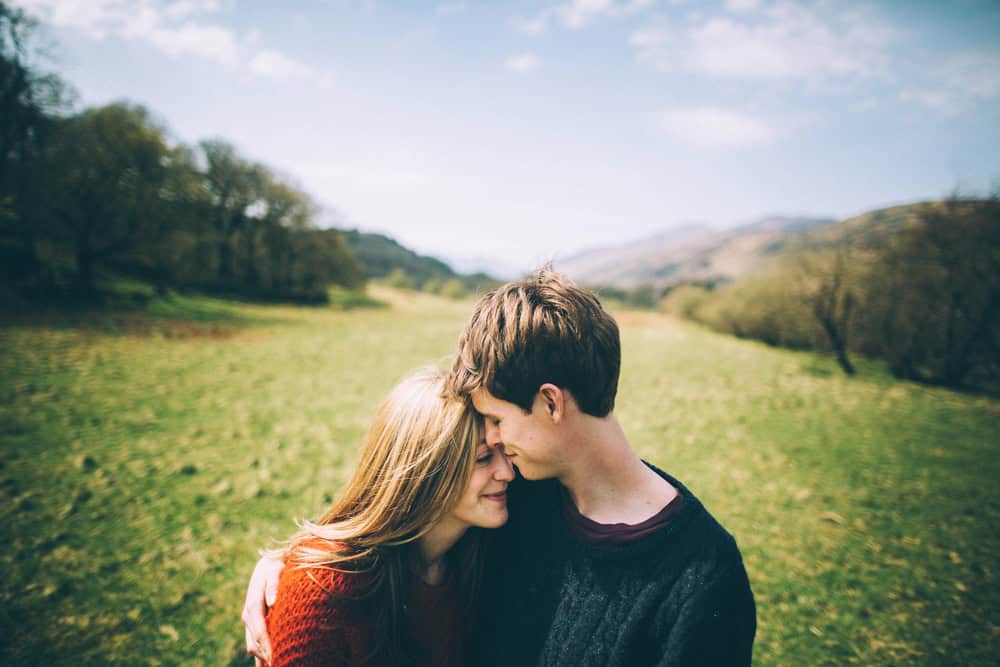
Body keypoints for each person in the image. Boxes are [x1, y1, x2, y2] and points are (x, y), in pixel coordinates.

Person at [245, 270, 756, 666]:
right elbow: (393, 527)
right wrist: (288, 569)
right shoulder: (520, 501)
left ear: (550, 403)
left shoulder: (705, 580)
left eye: (494, 418)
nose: (492, 443)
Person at [249, 367, 514, 666]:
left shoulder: (486, 549)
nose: (508, 472)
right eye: (483, 458)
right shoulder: (323, 590)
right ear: (424, 469)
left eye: (506, 452)